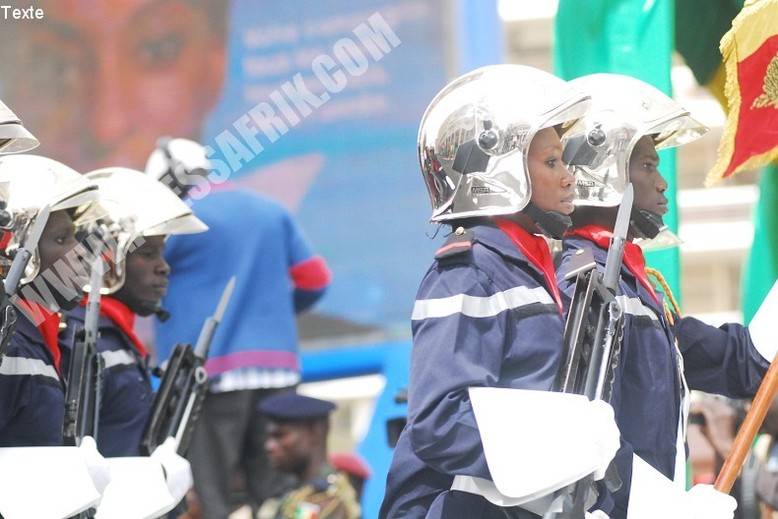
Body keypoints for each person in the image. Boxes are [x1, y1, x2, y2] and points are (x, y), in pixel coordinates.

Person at [379, 64, 621, 519]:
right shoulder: (468, 273)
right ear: (500, 176)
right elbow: (439, 422)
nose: (570, 177)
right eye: (552, 162)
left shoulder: (534, 273)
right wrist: (560, 446)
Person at [557, 73, 777, 519]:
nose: (663, 184)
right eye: (647, 166)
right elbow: (577, 440)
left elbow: (745, 365)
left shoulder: (635, 290)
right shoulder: (581, 282)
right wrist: (667, 509)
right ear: (603, 171)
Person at [146, 137, 333, 519]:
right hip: (277, 370)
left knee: (207, 496)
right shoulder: (270, 210)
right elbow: (316, 280)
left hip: (206, 377)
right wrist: (275, 316)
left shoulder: (175, 220)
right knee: (281, 497)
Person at [63, 166, 208, 457]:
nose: (163, 267)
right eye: (146, 253)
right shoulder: (77, 339)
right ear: (102, 260)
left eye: (161, 253)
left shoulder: (112, 336)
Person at [0, 0, 228, 173]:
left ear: (216, 65)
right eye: (59, 64)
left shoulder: (232, 219)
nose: (107, 127)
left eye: (157, 50)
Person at [0, 154, 103, 446]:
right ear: (18, 254)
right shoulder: (12, 343)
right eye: (62, 239)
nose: (81, 251)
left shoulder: (32, 338)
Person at [255, 392, 361, 519]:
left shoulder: (324, 500)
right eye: (270, 437)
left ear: (313, 432)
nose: (269, 446)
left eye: (280, 436)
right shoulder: (295, 491)